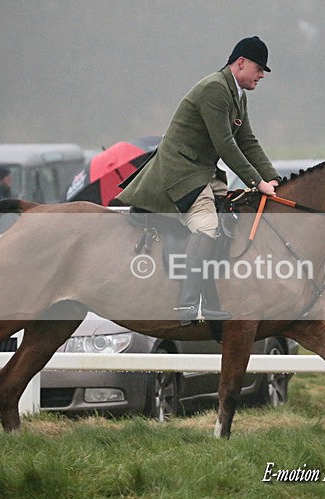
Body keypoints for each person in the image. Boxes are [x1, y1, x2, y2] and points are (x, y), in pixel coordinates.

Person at [118, 36, 280, 325]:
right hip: (180, 171)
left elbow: (248, 141)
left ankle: (216, 290)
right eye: (259, 68)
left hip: (203, 171)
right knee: (206, 226)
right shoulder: (215, 89)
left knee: (234, 212)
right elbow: (226, 145)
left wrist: (273, 178)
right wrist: (257, 182)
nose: (262, 75)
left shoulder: (237, 96)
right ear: (240, 63)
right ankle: (189, 302)